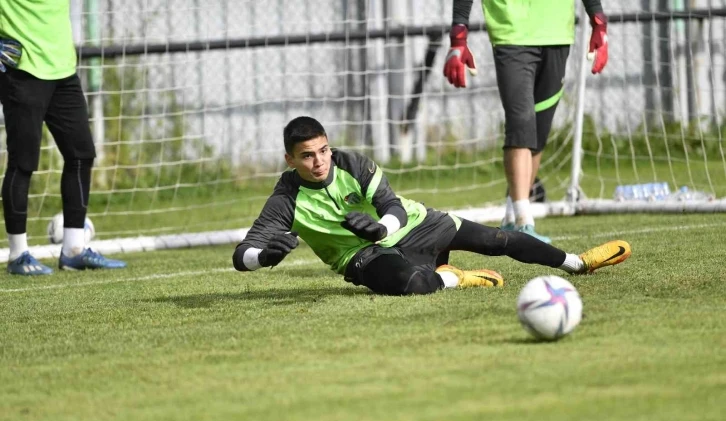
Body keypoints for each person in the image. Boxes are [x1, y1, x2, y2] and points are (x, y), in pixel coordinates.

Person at [232, 117, 630, 296]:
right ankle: (454, 278)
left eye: (323, 150)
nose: (319, 161)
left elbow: (393, 207)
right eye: (307, 156)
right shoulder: (286, 200)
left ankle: (578, 263)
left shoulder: (352, 164)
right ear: (290, 160)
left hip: (415, 224)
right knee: (413, 285)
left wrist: (382, 228)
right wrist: (263, 257)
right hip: (363, 256)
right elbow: (241, 255)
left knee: (498, 239)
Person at [443, 0, 609, 243]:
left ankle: (511, 216)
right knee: (520, 122)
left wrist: (598, 20)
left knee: (538, 131)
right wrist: (459, 34)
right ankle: (524, 222)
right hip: (511, 33)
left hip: (557, 33)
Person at [0, 0, 126, 275]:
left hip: (63, 71)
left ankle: (73, 250)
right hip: (23, 71)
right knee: (23, 163)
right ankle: (18, 255)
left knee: (82, 155)